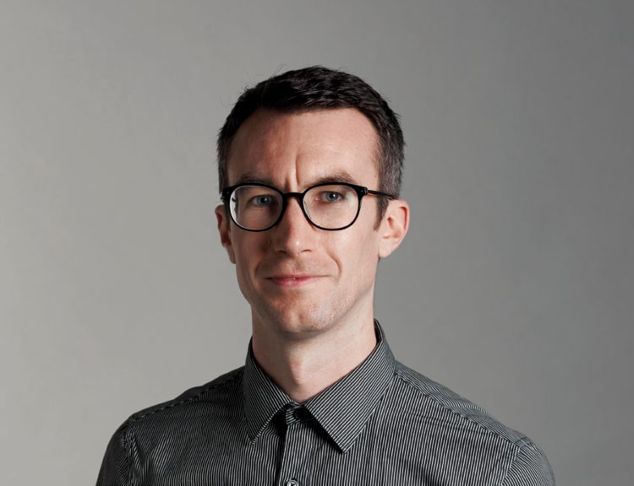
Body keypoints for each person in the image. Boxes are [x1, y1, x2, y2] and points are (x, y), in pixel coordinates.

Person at [96, 66, 555, 485]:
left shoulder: (495, 473)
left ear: (390, 227)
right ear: (226, 231)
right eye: (261, 199)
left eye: (332, 196)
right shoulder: (145, 457)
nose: (293, 239)